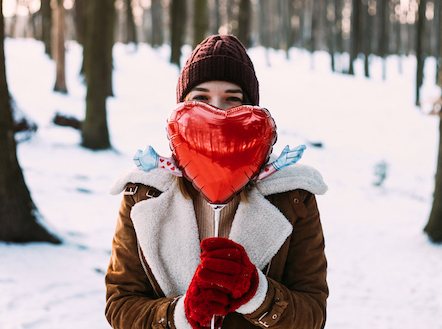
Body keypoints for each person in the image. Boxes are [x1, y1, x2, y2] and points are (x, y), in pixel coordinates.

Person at [105, 34, 328, 329]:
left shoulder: (293, 197)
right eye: (201, 98)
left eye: (232, 99)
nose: (217, 112)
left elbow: (313, 312)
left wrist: (257, 295)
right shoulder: (144, 194)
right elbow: (120, 304)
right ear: (181, 106)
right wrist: (178, 315)